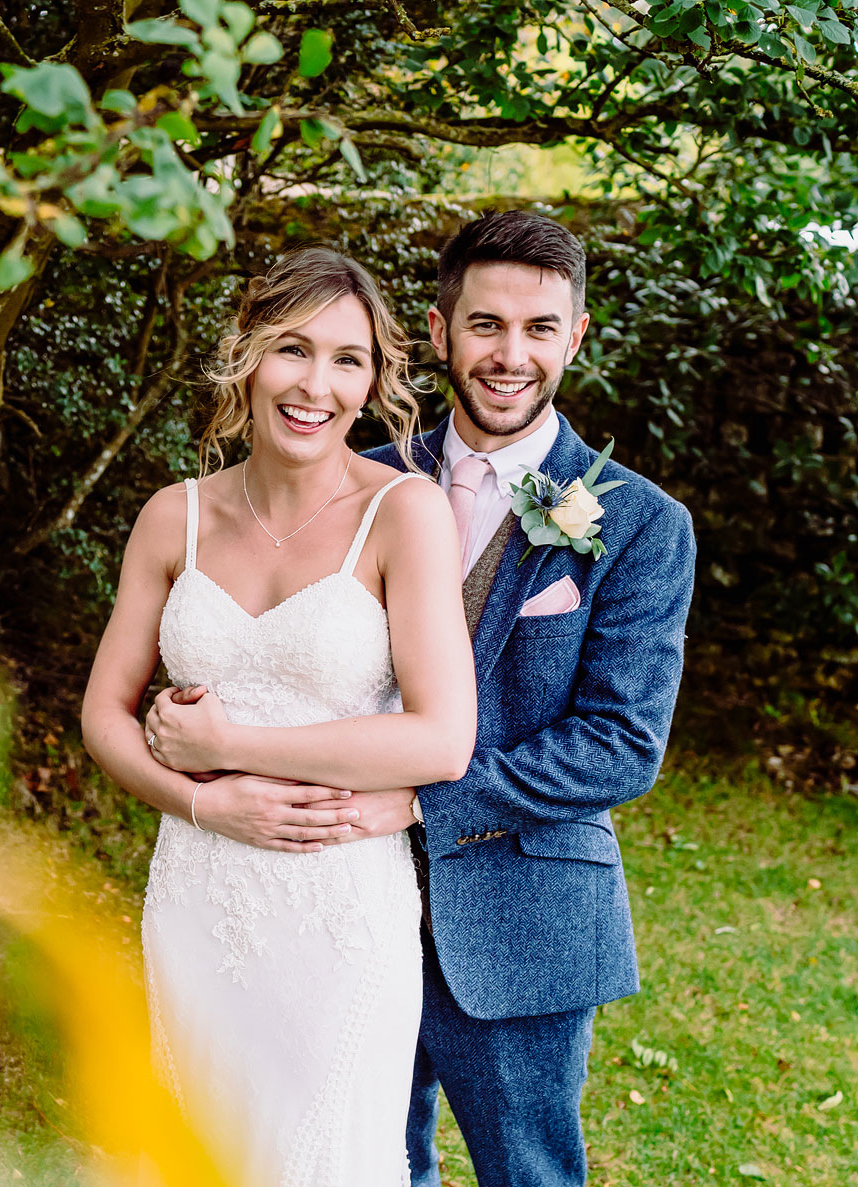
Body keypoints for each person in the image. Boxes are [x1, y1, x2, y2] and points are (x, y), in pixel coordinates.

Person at [146, 212, 697, 1187]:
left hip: (520, 919)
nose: (509, 355)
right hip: (332, 901)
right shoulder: (356, 483)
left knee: (525, 1173)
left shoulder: (641, 525)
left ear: (574, 336)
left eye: (538, 329)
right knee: (359, 1160)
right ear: (439, 332)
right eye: (485, 325)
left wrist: (423, 797)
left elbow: (619, 743)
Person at [81, 247, 476, 1187]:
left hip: (337, 908)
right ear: (246, 355)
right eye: (292, 350)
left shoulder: (404, 513)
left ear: (375, 379)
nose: (317, 384)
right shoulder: (170, 518)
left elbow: (442, 738)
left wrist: (229, 747)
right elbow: (102, 713)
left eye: (349, 359)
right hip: (195, 893)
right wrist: (202, 801)